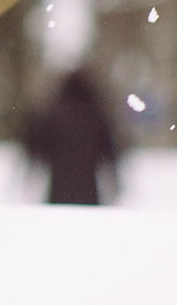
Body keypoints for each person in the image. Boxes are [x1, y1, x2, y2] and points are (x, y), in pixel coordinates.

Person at [21, 68, 123, 205]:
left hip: (58, 189)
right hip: (89, 190)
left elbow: (36, 148)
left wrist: (30, 173)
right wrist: (115, 182)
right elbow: (109, 151)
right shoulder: (96, 115)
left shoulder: (53, 114)